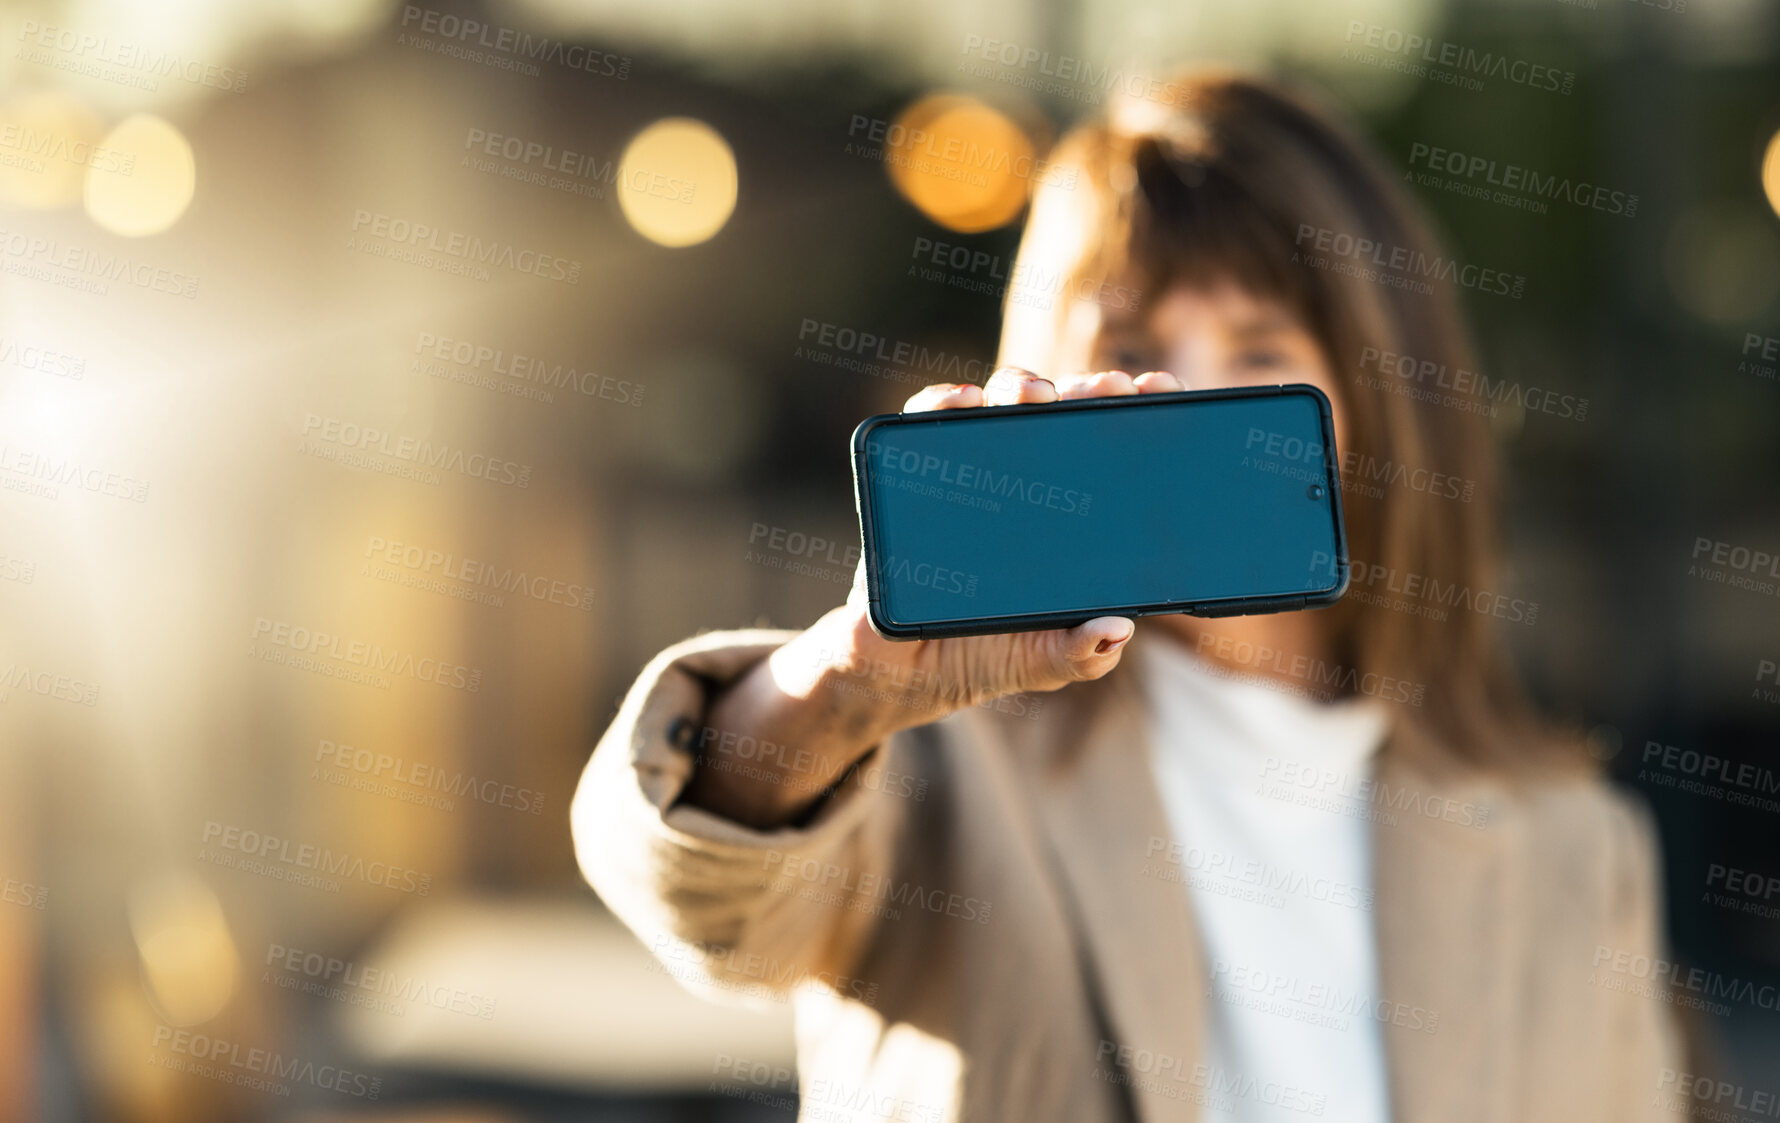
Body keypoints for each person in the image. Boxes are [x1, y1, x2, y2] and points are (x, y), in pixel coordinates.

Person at [572, 71, 1680, 1122]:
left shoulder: (1577, 853)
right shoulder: (934, 764)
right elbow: (710, 907)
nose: (1187, 392)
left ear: (1371, 402)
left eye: (1256, 348)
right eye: (1135, 345)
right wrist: (843, 688)